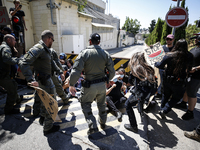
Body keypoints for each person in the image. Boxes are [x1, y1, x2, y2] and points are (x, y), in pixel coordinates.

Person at [18, 30, 64, 135]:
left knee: (45, 101)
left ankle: (43, 119)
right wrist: (31, 79)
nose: (52, 42)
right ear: (49, 39)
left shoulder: (46, 50)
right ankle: (48, 128)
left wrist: (59, 71)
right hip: (43, 81)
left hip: (46, 80)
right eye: (52, 40)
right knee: (51, 103)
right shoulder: (38, 48)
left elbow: (51, 62)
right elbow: (23, 62)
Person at [69, 33, 115, 135]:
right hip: (102, 85)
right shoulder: (105, 54)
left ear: (90, 41)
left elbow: (76, 70)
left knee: (85, 104)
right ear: (99, 42)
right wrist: (108, 80)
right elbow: (112, 72)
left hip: (89, 86)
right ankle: (103, 123)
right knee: (102, 104)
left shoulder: (84, 53)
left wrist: (71, 84)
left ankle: (93, 126)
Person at [155, 39, 193, 119]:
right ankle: (164, 110)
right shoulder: (189, 56)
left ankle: (163, 110)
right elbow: (189, 69)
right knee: (176, 98)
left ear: (176, 45)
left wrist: (155, 62)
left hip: (167, 80)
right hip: (180, 81)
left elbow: (160, 65)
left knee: (165, 95)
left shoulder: (169, 55)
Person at [124, 52, 157, 133]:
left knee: (127, 105)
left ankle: (133, 126)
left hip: (140, 91)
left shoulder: (136, 68)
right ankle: (141, 112)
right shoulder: (148, 67)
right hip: (147, 92)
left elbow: (130, 82)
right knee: (140, 101)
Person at [178, 35, 200, 120]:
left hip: (197, 76)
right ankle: (183, 103)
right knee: (187, 89)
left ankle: (190, 112)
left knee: (192, 93)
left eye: (196, 39)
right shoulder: (195, 48)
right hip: (189, 74)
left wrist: (196, 68)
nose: (195, 40)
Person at [0, 34, 21, 114]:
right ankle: (8, 110)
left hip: (4, 74)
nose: (15, 42)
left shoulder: (4, 47)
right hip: (3, 75)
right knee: (11, 90)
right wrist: (18, 60)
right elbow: (7, 59)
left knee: (14, 85)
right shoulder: (5, 48)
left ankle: (17, 99)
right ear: (8, 40)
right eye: (14, 40)